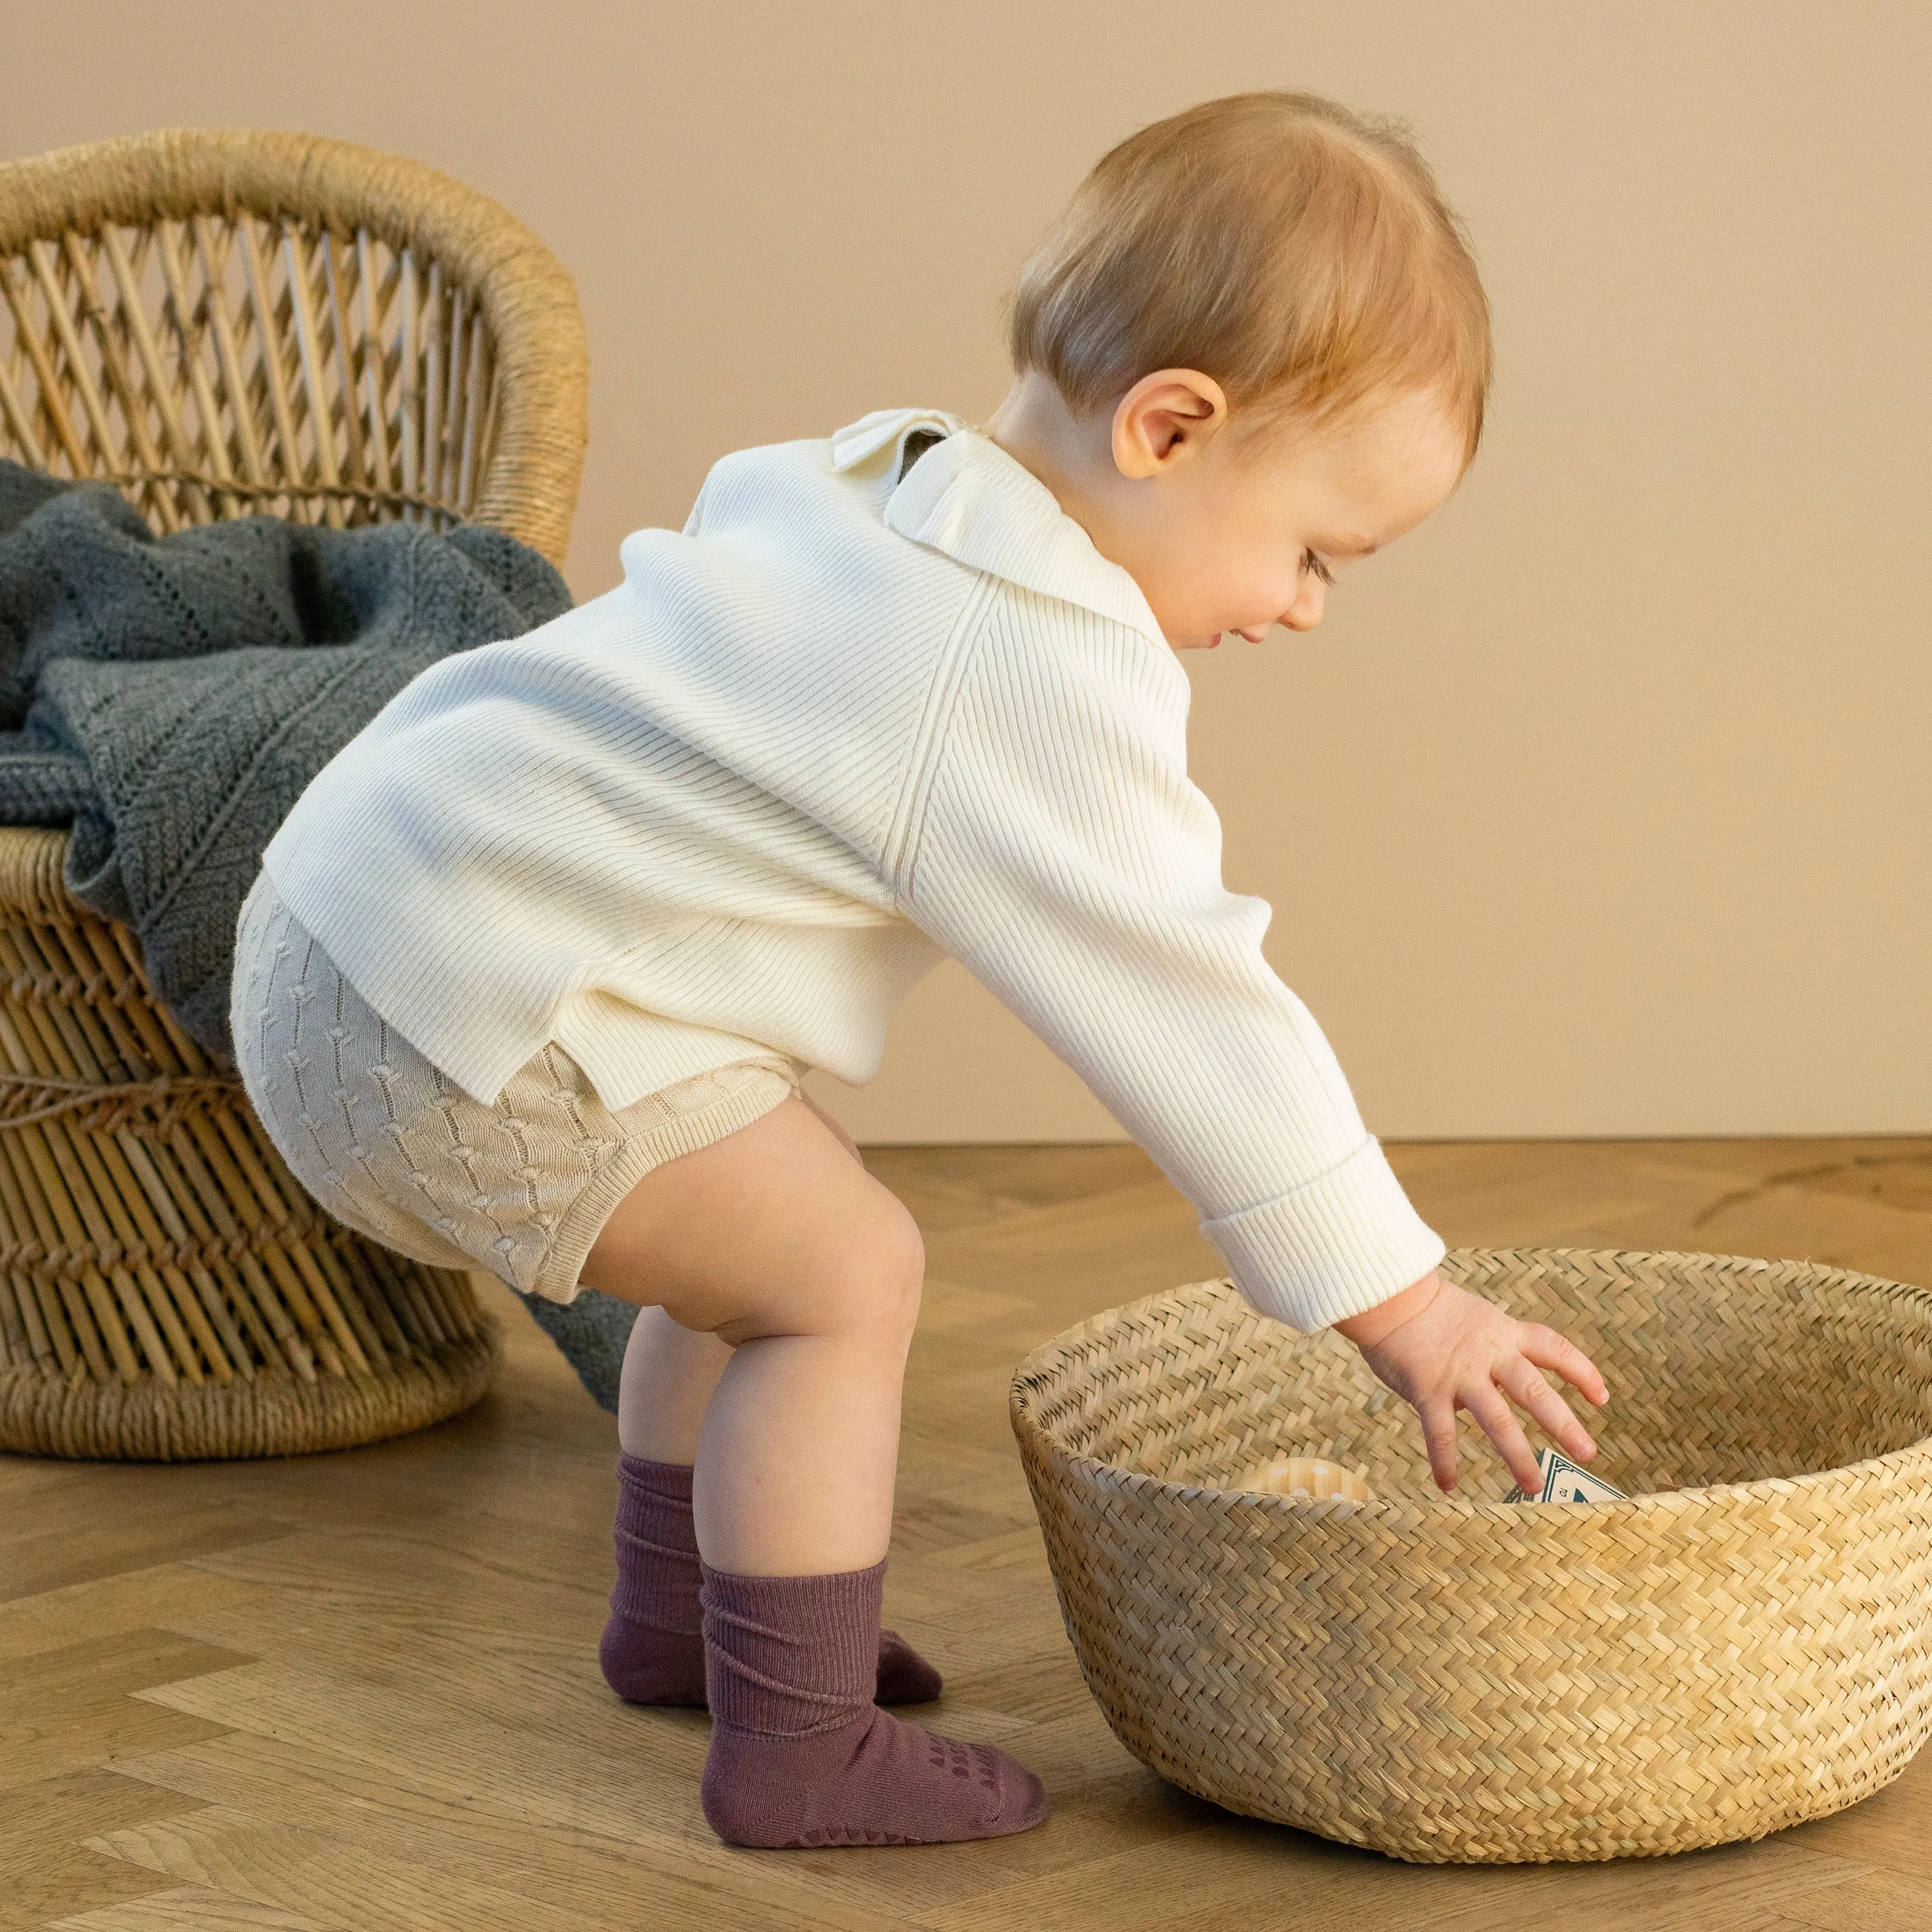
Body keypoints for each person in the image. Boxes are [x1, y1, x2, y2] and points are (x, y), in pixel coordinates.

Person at [230, 89, 1607, 1851]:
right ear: (1173, 428)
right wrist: (1403, 1304)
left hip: (353, 925)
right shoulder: (1032, 661)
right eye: (1318, 551)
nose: (1306, 605)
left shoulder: (886, 477)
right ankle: (795, 1744)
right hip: (457, 1013)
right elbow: (1187, 999)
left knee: (753, 1241)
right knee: (844, 1274)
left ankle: (685, 1623)